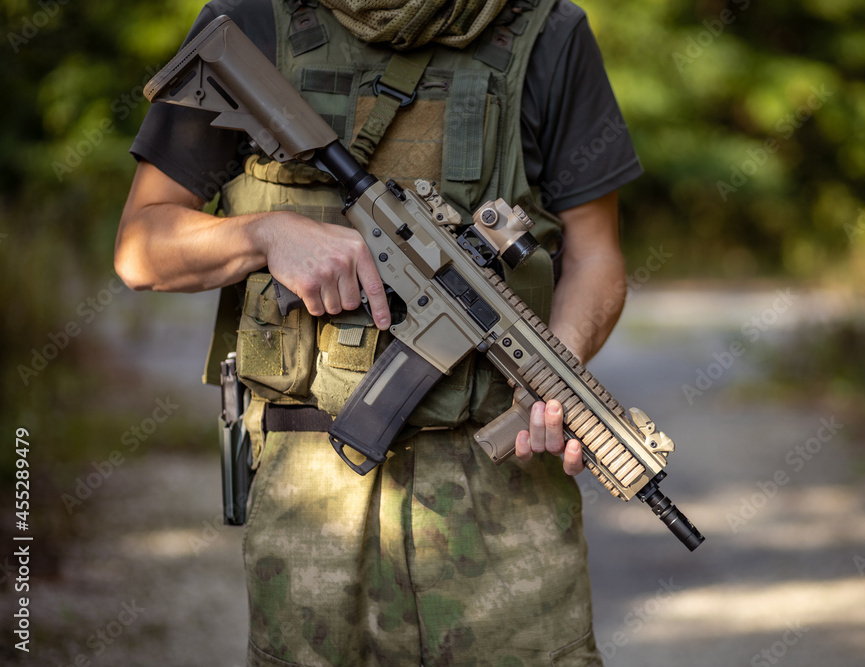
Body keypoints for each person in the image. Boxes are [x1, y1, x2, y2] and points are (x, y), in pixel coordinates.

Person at [115, 0, 642, 664]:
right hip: (313, 493)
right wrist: (265, 234)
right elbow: (141, 248)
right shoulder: (253, 22)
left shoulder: (547, 33)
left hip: (506, 505)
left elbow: (597, 257)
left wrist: (554, 373)